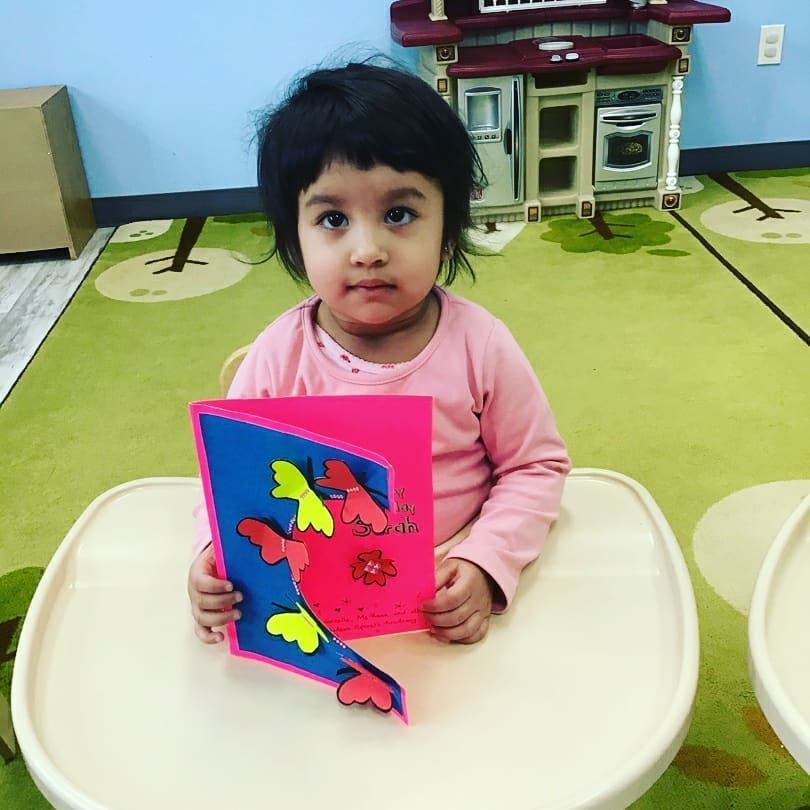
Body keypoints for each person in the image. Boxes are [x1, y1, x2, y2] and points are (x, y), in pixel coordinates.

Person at [187, 61, 570, 646]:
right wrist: (212, 554)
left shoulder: (480, 345)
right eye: (333, 219)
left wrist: (488, 562)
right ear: (294, 234)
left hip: (449, 580)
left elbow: (535, 467)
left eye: (399, 215)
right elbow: (229, 482)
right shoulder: (278, 356)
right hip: (318, 594)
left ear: (448, 224)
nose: (368, 250)